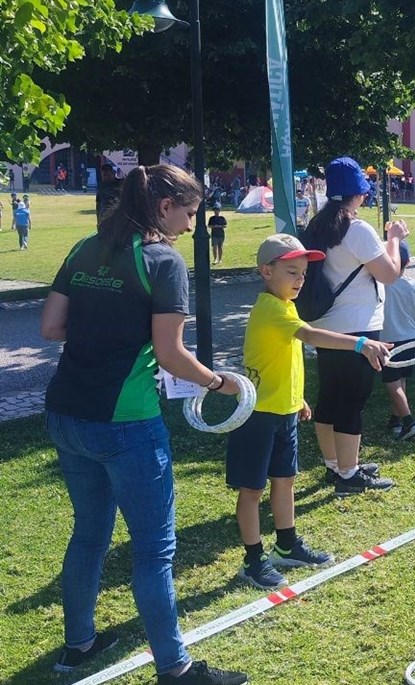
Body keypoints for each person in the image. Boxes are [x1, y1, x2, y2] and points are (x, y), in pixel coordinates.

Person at [41, 164, 248, 685]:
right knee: (155, 551)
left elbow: (50, 328)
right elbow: (171, 354)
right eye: (189, 213)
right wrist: (219, 382)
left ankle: (79, 644)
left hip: (66, 413)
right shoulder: (163, 261)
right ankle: (175, 668)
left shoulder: (85, 248)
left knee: (88, 534)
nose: (190, 225)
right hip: (125, 424)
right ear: (163, 207)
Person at [231, 234, 391, 590]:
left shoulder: (285, 305)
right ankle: (253, 560)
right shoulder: (271, 308)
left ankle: (286, 545)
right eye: (291, 271)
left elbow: (279, 360)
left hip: (283, 411)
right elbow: (312, 336)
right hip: (257, 415)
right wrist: (361, 343)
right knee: (252, 490)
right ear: (266, 271)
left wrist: (298, 398)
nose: (300, 279)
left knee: (285, 482)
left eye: (303, 272)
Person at [301, 157, 408, 496]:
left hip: (326, 326)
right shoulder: (357, 229)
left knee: (331, 396)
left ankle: (336, 465)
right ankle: (349, 475)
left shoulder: (316, 226)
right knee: (353, 400)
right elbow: (390, 274)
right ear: (357, 194)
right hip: (357, 326)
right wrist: (393, 238)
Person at [382, 241, 415, 440]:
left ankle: (409, 422)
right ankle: (396, 418)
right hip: (409, 338)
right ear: (408, 262)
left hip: (386, 341)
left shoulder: (379, 284)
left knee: (392, 383)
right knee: (401, 380)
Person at [96, 162, 123, 226]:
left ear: (113, 174)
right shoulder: (101, 187)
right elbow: (98, 205)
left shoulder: (121, 184)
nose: (106, 177)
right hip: (104, 217)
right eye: (104, 175)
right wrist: (98, 221)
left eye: (108, 175)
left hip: (118, 217)